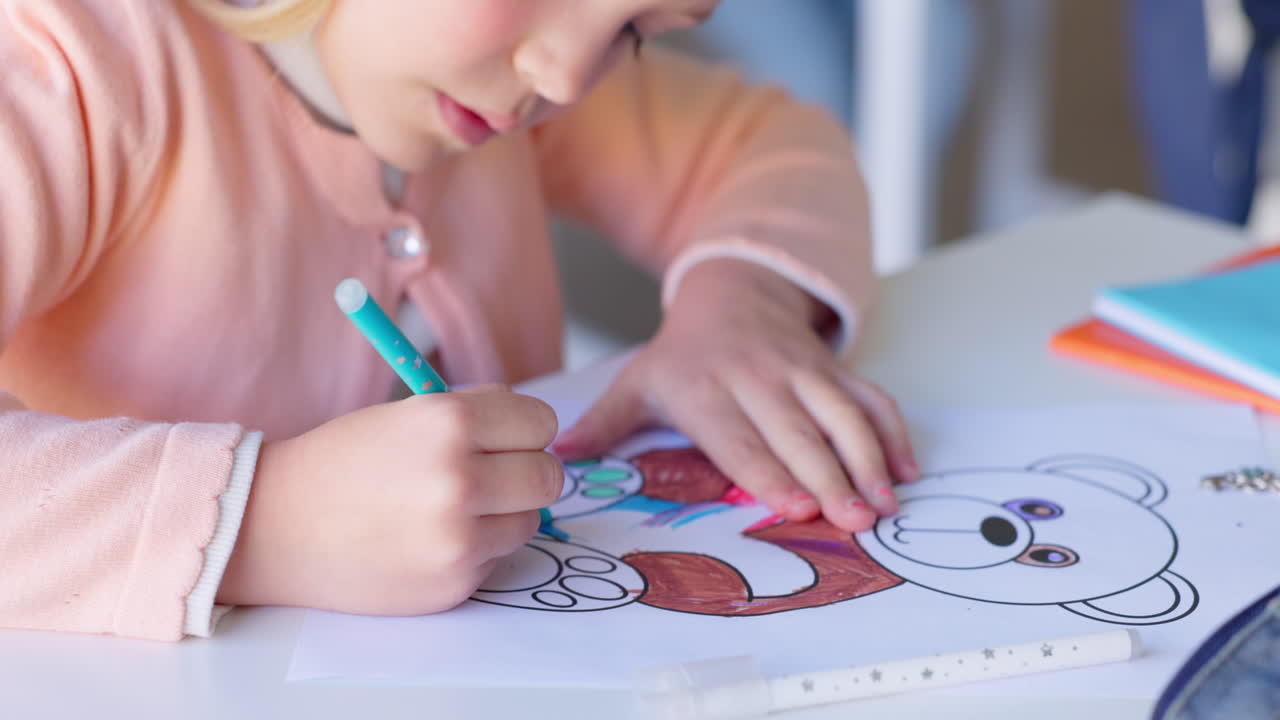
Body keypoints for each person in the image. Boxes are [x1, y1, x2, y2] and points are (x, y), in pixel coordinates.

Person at [0, 0, 917, 641]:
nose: (563, 73)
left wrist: (742, 303)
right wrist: (261, 526)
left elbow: (775, 144)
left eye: (636, 28)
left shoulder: (520, 89)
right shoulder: (71, 67)